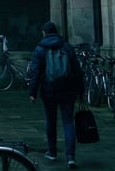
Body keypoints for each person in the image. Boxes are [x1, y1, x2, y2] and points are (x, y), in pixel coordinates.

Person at [29, 21, 83, 169]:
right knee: (68, 122)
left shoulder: (40, 48)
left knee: (51, 121)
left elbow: (36, 72)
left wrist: (32, 92)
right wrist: (81, 90)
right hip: (68, 89)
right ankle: (70, 156)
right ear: (56, 31)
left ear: (44, 33)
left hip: (49, 90)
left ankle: (52, 152)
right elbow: (77, 70)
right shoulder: (66, 46)